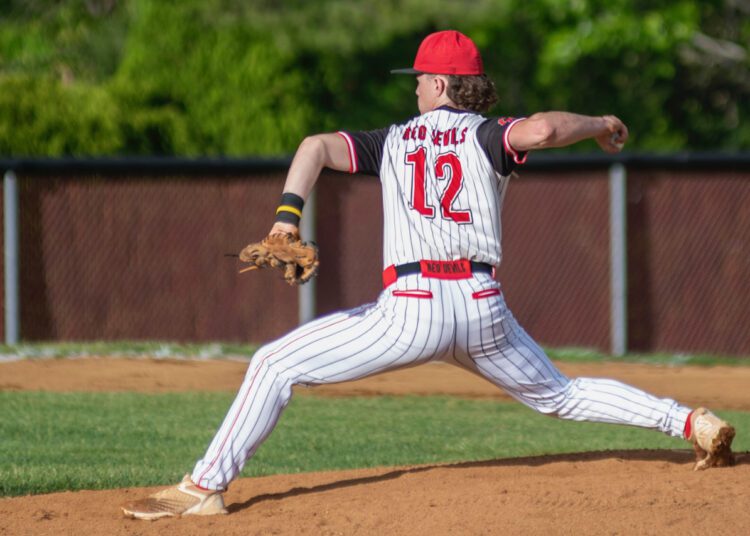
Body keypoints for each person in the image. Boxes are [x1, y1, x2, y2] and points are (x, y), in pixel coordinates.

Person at [122, 30, 735, 520]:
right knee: (561, 395)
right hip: (483, 307)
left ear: (440, 83)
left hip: (412, 309)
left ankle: (205, 487)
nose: (414, 87)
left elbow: (313, 146)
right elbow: (545, 129)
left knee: (272, 364)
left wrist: (286, 219)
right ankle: (690, 422)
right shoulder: (491, 135)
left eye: (418, 78)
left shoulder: (392, 140)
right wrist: (601, 122)